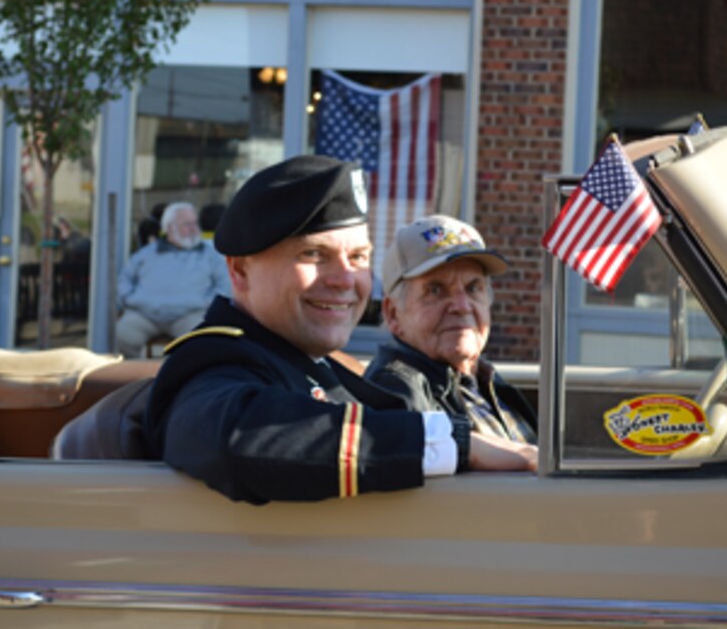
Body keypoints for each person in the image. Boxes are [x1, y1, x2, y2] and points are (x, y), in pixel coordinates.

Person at [143, 155, 536, 504]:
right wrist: (457, 443)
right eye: (314, 254)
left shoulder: (308, 361)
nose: (345, 280)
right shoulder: (212, 363)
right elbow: (239, 435)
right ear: (240, 270)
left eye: (358, 256)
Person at [365, 215, 536, 443]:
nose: (462, 306)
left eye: (473, 288)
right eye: (436, 290)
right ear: (393, 313)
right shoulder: (394, 390)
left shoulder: (487, 382)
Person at [115, 202, 230, 358]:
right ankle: (139, 377)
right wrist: (128, 298)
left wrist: (208, 303)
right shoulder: (147, 253)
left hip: (189, 314)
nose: (194, 229)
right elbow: (125, 278)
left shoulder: (210, 254)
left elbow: (225, 284)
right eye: (187, 224)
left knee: (202, 341)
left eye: (195, 223)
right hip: (145, 314)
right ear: (169, 228)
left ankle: (182, 378)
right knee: (122, 333)